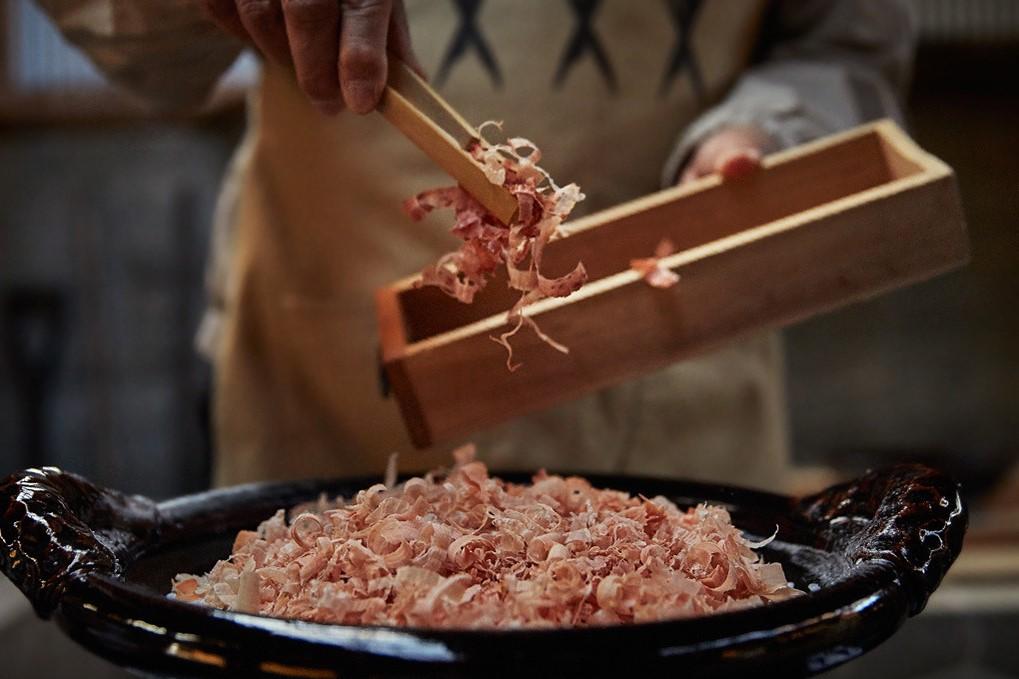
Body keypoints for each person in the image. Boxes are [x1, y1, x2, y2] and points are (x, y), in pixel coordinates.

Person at [37, 0, 915, 488]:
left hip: (687, 418)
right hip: (332, 422)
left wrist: (773, 125)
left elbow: (844, 39)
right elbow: (119, 44)